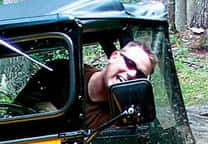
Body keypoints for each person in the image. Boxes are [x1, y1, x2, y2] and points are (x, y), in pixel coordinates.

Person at [16, 40, 157, 129]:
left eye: (139, 75)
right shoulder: (59, 73)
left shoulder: (128, 113)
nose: (131, 74)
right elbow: (16, 113)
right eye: (130, 63)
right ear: (114, 56)